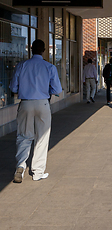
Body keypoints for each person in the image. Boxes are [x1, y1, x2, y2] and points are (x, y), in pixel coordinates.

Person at [9, 39, 62, 182]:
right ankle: (38, 172)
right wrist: (47, 89)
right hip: (43, 104)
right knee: (42, 137)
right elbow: (57, 89)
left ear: (31, 49)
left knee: (24, 136)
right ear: (43, 50)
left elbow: (13, 88)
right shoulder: (49, 67)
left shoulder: (21, 66)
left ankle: (20, 166)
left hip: (25, 103)